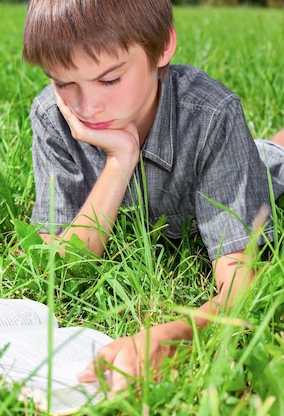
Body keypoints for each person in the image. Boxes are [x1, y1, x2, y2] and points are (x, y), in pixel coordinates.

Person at [21, 0, 284, 395]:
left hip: (255, 171)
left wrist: (176, 334)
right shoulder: (51, 115)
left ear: (162, 48)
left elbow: (241, 285)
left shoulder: (211, 114)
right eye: (63, 82)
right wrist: (119, 160)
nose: (87, 107)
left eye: (110, 80)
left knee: (272, 157)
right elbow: (61, 268)